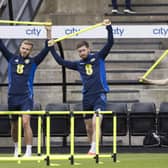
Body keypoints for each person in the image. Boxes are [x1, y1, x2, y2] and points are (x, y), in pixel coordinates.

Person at [49, 19, 114, 155]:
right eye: (79, 51)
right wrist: (52, 48)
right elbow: (61, 62)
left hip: (99, 94)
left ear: (88, 49)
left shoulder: (99, 57)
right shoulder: (78, 64)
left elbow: (110, 43)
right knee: (88, 127)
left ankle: (95, 148)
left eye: (83, 50)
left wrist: (109, 28)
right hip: (87, 97)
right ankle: (92, 147)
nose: (82, 53)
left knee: (97, 121)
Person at [0, 26, 52, 157]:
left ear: (30, 51)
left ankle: (28, 150)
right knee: (14, 126)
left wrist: (48, 31)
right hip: (12, 97)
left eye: (27, 49)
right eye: (23, 48)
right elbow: (1, 44)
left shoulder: (34, 61)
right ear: (20, 48)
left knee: (26, 122)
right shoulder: (11, 58)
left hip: (26, 97)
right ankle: (17, 148)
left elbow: (47, 48)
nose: (25, 51)